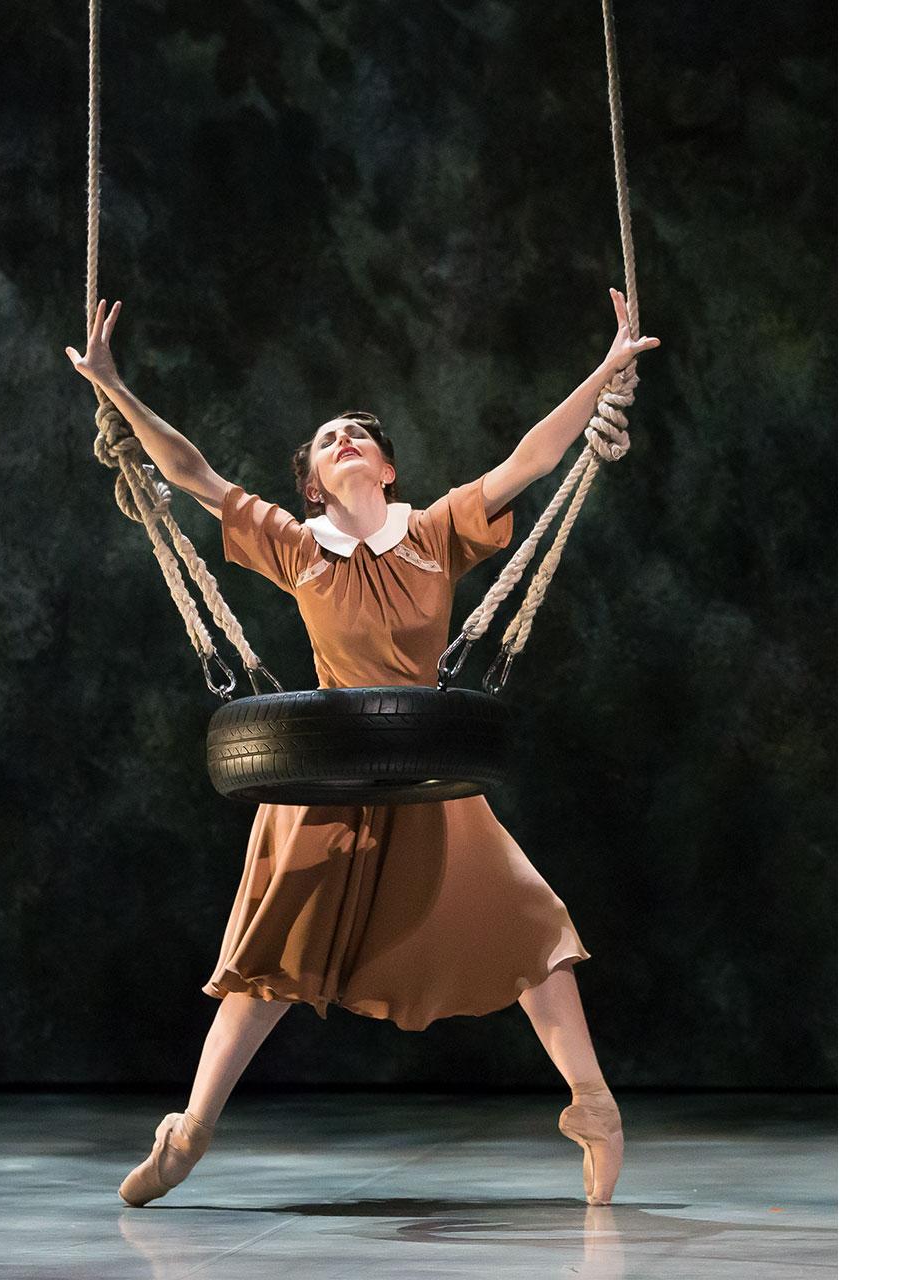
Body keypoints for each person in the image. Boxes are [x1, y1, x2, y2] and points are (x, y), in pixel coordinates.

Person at [65, 291, 660, 1208]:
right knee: (270, 960)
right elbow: (193, 474)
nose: (342, 440)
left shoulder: (433, 534)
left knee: (531, 927)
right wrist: (114, 388)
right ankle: (188, 1133)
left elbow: (531, 459)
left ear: (385, 466)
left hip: (426, 775)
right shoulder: (296, 547)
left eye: (358, 435)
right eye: (326, 440)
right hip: (328, 777)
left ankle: (594, 1107)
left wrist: (606, 369)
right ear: (313, 481)